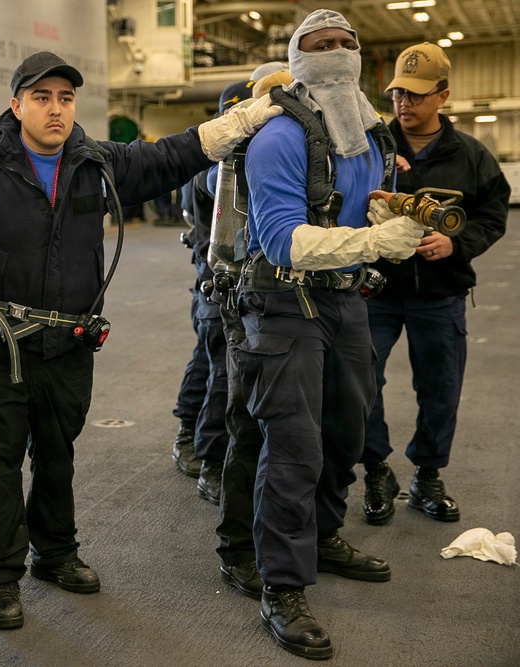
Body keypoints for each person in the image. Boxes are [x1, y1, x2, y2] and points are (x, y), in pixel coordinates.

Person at [0, 50, 281, 630]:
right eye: (41, 97)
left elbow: (174, 156)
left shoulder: (98, 162)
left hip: (70, 345)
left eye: (64, 98)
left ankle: (55, 553)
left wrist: (247, 118)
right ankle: (0, 576)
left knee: (57, 456)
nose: (55, 109)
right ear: (16, 105)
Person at [235, 10, 427, 659]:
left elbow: (364, 200)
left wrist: (383, 215)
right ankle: (282, 584)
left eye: (347, 43)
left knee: (348, 428)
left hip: (345, 301)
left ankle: (321, 533)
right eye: (321, 46)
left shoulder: (366, 136)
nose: (338, 54)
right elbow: (283, 237)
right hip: (286, 301)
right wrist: (373, 239)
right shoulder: (279, 137)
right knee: (293, 445)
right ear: (298, 61)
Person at [360, 43, 510, 525]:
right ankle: (377, 471)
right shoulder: (373, 150)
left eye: (417, 95)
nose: (404, 103)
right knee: (361, 381)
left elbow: (492, 213)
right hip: (377, 290)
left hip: (440, 295)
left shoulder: (471, 156)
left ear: (443, 96)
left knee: (440, 387)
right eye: (398, 93)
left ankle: (427, 476)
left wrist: (456, 244)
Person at [214, 70, 293, 602]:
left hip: (295, 303)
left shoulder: (304, 146)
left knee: (292, 433)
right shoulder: (239, 155)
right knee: (248, 424)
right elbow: (223, 234)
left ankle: (303, 537)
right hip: (245, 296)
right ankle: (238, 548)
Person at [169, 80, 255, 504]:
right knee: (219, 370)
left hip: (232, 286)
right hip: (215, 285)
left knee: (209, 364)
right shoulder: (213, 166)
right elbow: (209, 184)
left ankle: (192, 434)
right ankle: (205, 453)